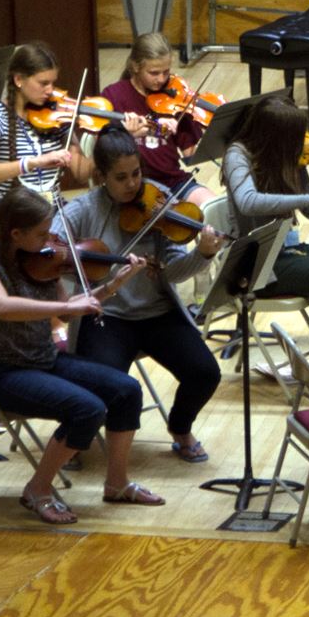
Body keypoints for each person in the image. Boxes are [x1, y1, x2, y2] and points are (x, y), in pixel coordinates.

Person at [0, 186, 157, 524]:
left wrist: (112, 286)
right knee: (87, 409)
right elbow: (1, 306)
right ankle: (37, 489)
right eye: (42, 234)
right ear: (16, 234)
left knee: (127, 390)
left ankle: (117, 483)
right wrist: (67, 307)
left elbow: (66, 310)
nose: (51, 241)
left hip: (45, 359)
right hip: (2, 373)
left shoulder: (38, 257)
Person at [56, 126, 224, 462]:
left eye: (136, 173)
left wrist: (202, 254)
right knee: (106, 385)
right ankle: (72, 439)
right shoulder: (83, 210)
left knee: (206, 372)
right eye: (121, 178)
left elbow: (173, 271)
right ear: (101, 176)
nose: (133, 184)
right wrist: (86, 273)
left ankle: (180, 428)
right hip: (107, 317)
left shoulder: (158, 200)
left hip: (157, 313)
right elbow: (51, 252)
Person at [220, 92, 309, 390]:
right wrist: (308, 198)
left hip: (286, 249)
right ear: (274, 136)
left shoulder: (289, 156)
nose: (300, 143)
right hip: (257, 264)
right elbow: (248, 201)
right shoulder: (237, 155)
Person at [99, 31, 217, 205]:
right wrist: (127, 135)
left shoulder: (175, 97)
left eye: (166, 72)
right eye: (154, 73)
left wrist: (214, 134)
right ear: (136, 67)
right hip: (133, 186)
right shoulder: (113, 95)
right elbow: (102, 151)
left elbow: (190, 155)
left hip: (173, 181)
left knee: (213, 208)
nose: (161, 79)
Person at [0, 42, 104, 197]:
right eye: (43, 83)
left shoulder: (56, 118)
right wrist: (34, 162)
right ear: (18, 79)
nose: (50, 90)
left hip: (50, 207)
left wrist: (105, 146)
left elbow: (81, 174)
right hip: (5, 207)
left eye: (53, 83)